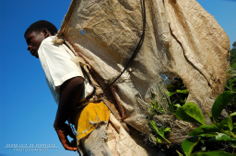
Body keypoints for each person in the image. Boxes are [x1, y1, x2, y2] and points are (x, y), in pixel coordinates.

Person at [24, 20, 156, 156]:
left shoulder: (47, 45)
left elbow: (74, 81)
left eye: (30, 40)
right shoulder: (63, 46)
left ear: (46, 33)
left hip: (93, 120)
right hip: (102, 116)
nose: (28, 47)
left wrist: (58, 124)